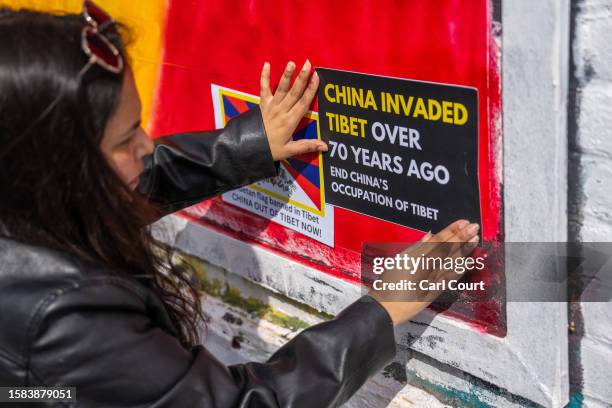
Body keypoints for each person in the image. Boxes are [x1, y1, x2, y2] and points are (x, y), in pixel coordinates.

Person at [0, 2, 480, 407]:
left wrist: (250, 144)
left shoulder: (24, 203)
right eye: (126, 138)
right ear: (52, 169)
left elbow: (136, 182)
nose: (147, 145)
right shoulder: (67, 317)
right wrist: (387, 305)